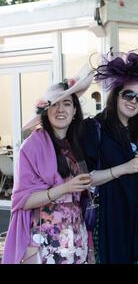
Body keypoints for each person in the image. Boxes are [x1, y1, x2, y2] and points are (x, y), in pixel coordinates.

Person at [82, 50, 138, 264]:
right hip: (110, 218)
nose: (134, 101)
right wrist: (124, 168)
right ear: (116, 94)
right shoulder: (95, 128)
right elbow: (86, 178)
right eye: (128, 94)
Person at [2, 71, 94, 264]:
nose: (61, 109)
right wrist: (65, 188)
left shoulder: (75, 144)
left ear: (75, 110)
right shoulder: (32, 146)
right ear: (46, 110)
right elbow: (22, 200)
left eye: (67, 103)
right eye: (54, 104)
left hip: (77, 235)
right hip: (46, 240)